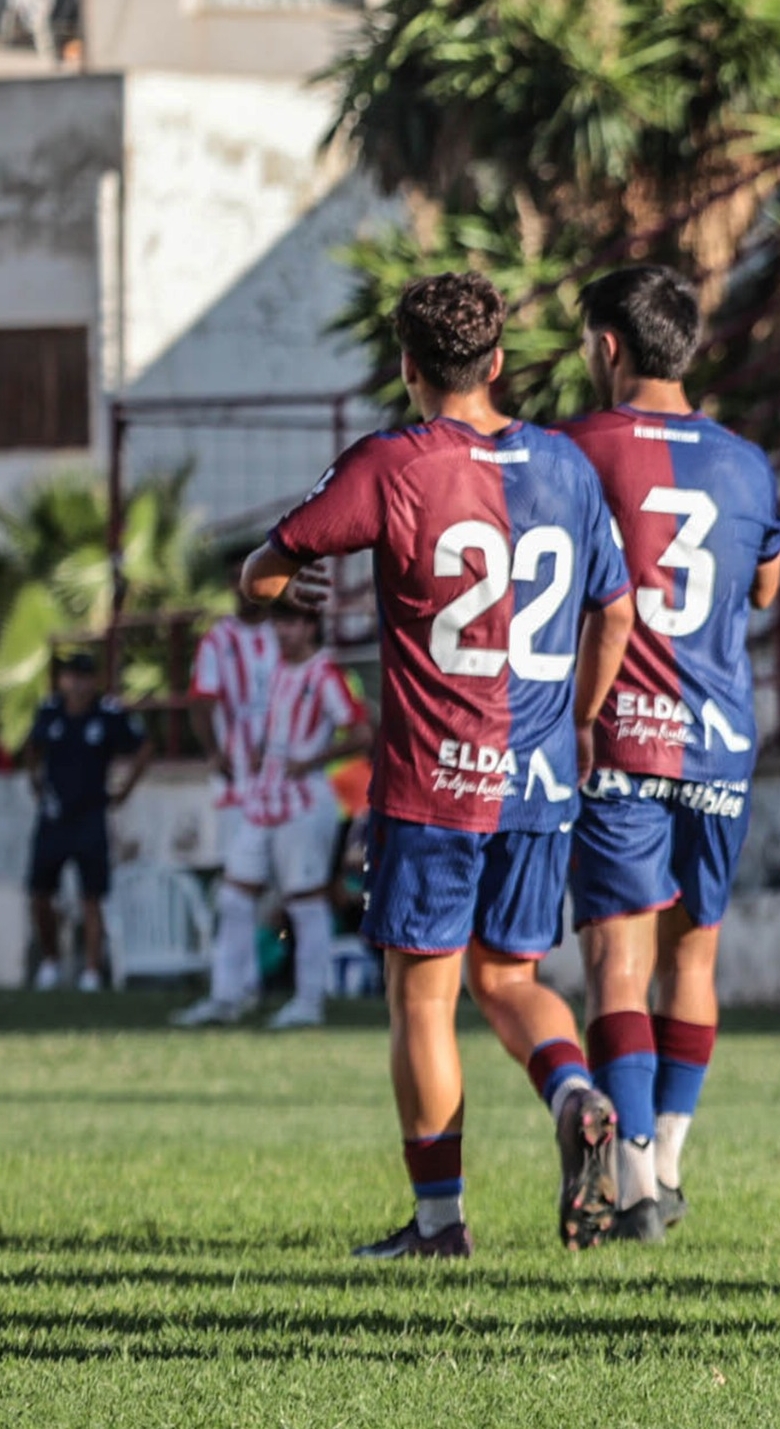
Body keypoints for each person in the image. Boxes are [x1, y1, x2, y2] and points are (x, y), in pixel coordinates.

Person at [239, 271, 637, 1260]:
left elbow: (263, 569)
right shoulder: (567, 465)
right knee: (511, 976)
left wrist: (290, 591)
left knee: (422, 996)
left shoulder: (394, 463)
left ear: (407, 366)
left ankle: (437, 1224)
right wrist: (581, 721)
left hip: (433, 783)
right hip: (539, 777)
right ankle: (575, 1090)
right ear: (497, 363)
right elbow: (616, 607)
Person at [559, 265, 780, 1244]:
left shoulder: (572, 450)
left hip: (618, 734)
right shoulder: (746, 463)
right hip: (721, 737)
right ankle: (672, 1160)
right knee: (694, 954)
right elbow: (767, 589)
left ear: (608, 345)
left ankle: (639, 1185)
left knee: (617, 960)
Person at [191, 604, 371, 1030]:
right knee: (234, 897)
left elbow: (363, 734)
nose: (282, 632)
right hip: (262, 797)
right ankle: (227, 997)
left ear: (310, 628)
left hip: (304, 803)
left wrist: (311, 760)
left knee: (304, 903)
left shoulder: (325, 675)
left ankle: (309, 1001)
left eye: (290, 623)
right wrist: (263, 752)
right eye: (279, 623)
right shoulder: (276, 672)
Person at [22, 650, 151, 993]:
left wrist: (124, 790)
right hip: (53, 818)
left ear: (93, 680)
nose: (77, 684)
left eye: (83, 677)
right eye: (71, 676)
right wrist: (34, 779)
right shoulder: (50, 711)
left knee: (91, 896)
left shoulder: (107, 714)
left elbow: (142, 747)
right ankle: (50, 962)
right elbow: (31, 747)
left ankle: (92, 972)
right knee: (39, 893)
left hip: (91, 817)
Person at [178, 602, 279, 1018]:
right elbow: (200, 700)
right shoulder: (219, 640)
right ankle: (238, 987)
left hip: (288, 789)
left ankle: (302, 993)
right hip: (240, 789)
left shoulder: (292, 643)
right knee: (239, 891)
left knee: (292, 895)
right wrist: (215, 752)